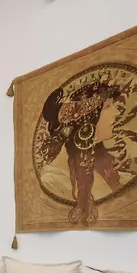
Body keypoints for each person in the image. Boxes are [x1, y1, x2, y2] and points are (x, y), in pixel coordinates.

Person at [37, 80, 121, 226]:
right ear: (86, 122)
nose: (116, 112)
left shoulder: (105, 169)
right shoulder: (53, 181)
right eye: (108, 107)